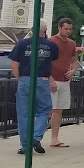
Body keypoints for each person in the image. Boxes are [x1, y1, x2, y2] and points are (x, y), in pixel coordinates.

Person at [11, 20, 59, 155]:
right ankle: (36, 137)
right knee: (44, 110)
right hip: (42, 79)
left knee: (24, 114)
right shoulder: (51, 45)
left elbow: (14, 65)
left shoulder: (22, 44)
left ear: (32, 30)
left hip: (25, 79)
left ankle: (25, 146)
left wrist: (20, 79)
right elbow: (53, 63)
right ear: (45, 30)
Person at [48, 17, 78, 149]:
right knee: (49, 110)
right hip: (52, 79)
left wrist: (73, 70)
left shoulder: (71, 44)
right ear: (59, 28)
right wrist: (50, 79)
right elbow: (45, 62)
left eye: (70, 29)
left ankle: (54, 138)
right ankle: (36, 136)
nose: (68, 31)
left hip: (64, 80)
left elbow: (73, 59)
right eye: (66, 29)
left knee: (59, 110)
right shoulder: (51, 41)